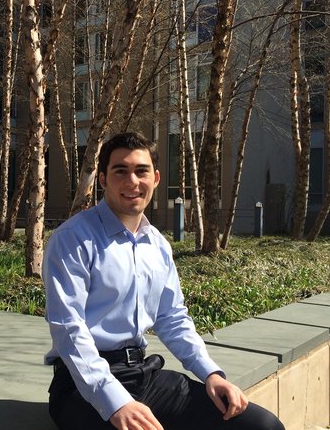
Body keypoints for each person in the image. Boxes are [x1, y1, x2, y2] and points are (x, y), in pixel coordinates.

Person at [42, 132, 284, 430]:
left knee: (261, 425)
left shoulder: (156, 244)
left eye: (141, 171)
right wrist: (116, 401)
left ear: (155, 178)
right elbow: (68, 328)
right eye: (121, 171)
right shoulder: (73, 239)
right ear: (103, 180)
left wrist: (211, 374)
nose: (133, 182)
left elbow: (172, 318)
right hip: (81, 386)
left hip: (143, 374)